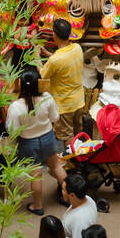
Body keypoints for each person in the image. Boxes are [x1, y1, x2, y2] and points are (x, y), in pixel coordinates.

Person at [4, 66, 65, 216]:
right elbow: (55, 118)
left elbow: (12, 131)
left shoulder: (16, 106)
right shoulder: (47, 98)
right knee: (56, 166)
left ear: (20, 84)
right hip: (48, 137)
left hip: (28, 143)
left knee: (36, 174)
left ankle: (37, 205)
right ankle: (70, 196)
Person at [40, 18, 85, 149]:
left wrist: (37, 57)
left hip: (65, 106)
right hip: (78, 101)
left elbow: (42, 75)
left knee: (67, 137)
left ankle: (73, 164)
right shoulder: (77, 48)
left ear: (54, 35)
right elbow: (62, 63)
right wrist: (48, 54)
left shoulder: (55, 60)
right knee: (78, 133)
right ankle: (81, 160)